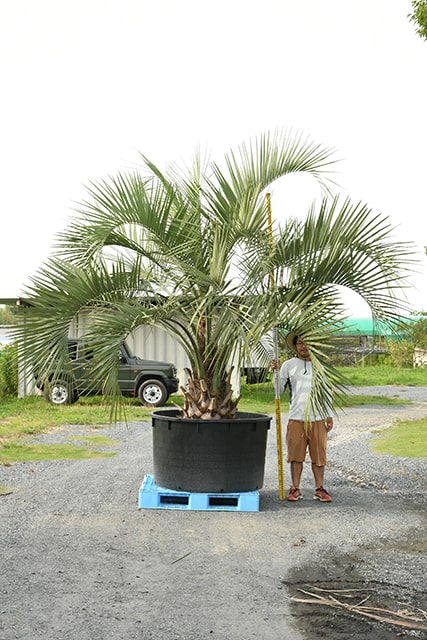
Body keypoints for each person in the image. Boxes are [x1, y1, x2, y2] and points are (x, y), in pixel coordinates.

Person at [272, 333, 333, 503]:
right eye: (299, 343)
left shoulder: (321, 366)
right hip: (296, 417)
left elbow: (327, 392)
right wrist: (275, 373)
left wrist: (328, 414)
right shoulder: (288, 365)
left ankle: (320, 488)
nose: (303, 346)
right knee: (295, 455)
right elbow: (278, 391)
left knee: (319, 456)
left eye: (306, 343)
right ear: (295, 346)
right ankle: (295, 488)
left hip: (318, 417)